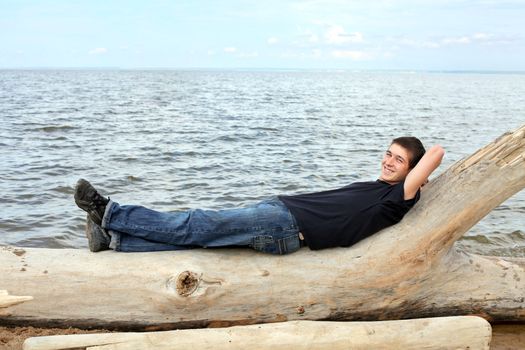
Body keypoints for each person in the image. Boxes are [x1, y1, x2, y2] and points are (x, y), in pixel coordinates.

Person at [74, 137, 444, 254]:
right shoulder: (379, 188)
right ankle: (115, 240)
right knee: (200, 239)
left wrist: (415, 178)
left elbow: (437, 152)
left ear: (412, 171)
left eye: (400, 160)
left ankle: (109, 213)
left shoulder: (397, 199)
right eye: (388, 153)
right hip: (279, 214)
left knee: (197, 223)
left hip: (285, 226)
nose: (389, 162)